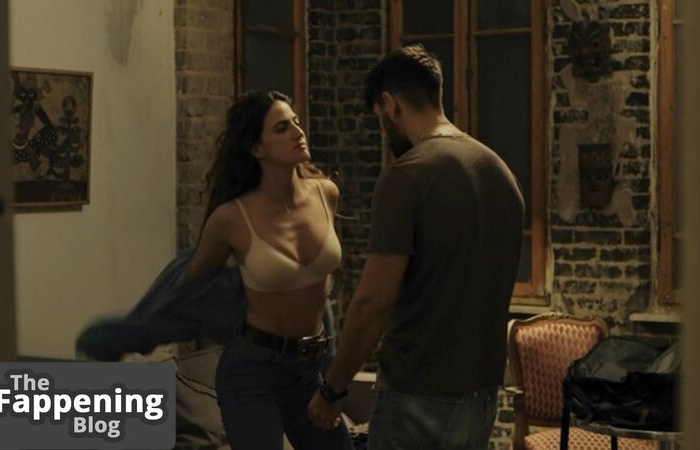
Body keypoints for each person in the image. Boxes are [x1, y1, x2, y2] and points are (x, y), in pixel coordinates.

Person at [308, 44, 525, 449]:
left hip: (419, 391)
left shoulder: (407, 175)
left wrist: (332, 389)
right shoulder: (501, 174)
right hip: (481, 392)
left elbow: (373, 303)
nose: (383, 133)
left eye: (379, 119)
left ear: (391, 106)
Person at [187, 90, 354, 450]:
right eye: (282, 128)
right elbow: (194, 286)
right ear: (256, 148)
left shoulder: (326, 193)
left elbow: (321, 282)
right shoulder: (231, 217)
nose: (298, 132)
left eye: (296, 122)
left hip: (312, 366)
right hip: (253, 368)